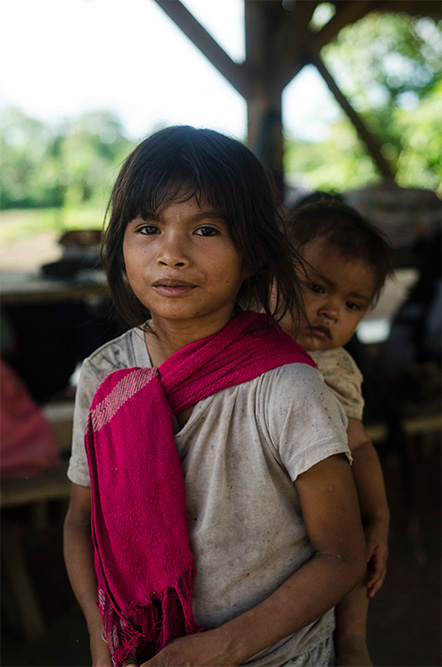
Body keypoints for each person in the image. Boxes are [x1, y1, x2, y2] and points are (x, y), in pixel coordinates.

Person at [63, 126, 366, 667]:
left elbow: (341, 554)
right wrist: (100, 633)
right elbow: (81, 520)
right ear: (122, 244)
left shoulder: (287, 389)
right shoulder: (105, 374)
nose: (171, 254)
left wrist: (223, 648)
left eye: (205, 229)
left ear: (253, 255)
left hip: (278, 656)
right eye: (148, 227)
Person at [280, 200, 394, 666]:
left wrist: (380, 516)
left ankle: (352, 640)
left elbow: (360, 443)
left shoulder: (334, 368)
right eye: (316, 288)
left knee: (350, 553)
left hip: (326, 502)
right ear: (271, 271)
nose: (330, 311)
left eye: (351, 305)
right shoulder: (238, 335)